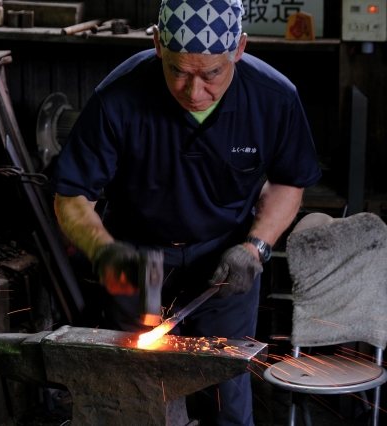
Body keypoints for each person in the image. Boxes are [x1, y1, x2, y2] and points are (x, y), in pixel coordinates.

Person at [50, 0, 322, 424]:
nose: (194, 92)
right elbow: (71, 196)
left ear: (240, 49)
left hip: (224, 269)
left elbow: (289, 181)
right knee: (134, 400)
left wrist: (255, 247)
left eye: (211, 74)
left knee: (226, 405)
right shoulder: (118, 96)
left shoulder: (274, 98)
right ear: (158, 44)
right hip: (137, 266)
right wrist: (105, 253)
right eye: (179, 71)